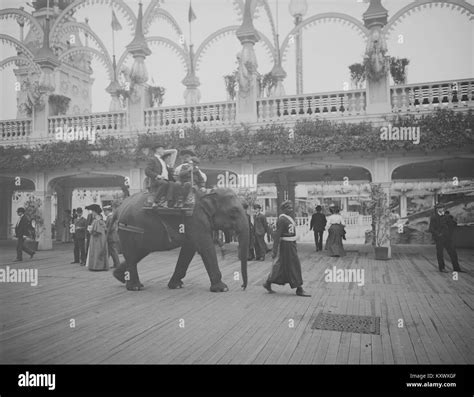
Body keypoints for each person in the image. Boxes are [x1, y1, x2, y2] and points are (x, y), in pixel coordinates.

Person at [263, 200, 310, 297]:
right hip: (286, 246)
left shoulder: (288, 218)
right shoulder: (282, 219)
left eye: (291, 207)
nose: (291, 209)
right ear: (283, 209)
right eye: (289, 207)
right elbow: (277, 236)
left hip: (291, 245)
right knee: (294, 265)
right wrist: (274, 250)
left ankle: (268, 282)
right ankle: (299, 288)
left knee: (282, 266)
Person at [428, 204, 464, 273]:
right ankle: (442, 268)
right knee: (440, 254)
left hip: (448, 238)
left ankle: (456, 268)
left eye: (442, 207)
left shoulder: (447, 216)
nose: (441, 209)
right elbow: (431, 228)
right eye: (440, 208)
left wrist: (453, 220)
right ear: (437, 209)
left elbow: (453, 224)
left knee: (453, 253)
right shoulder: (434, 217)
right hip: (439, 238)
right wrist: (438, 234)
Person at [85, 204, 109, 271]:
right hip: (100, 238)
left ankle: (98, 266)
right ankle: (99, 266)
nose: (92, 213)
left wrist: (91, 230)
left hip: (97, 239)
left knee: (97, 251)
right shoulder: (99, 219)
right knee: (98, 251)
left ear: (95, 212)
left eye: (92, 211)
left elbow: (97, 231)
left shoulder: (97, 220)